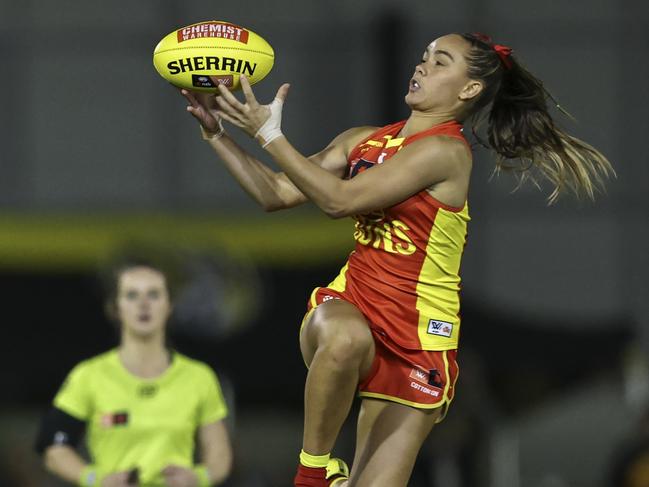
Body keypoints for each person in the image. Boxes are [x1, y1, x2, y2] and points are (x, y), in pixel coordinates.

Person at [180, 32, 613, 487]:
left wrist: (270, 134)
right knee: (344, 340)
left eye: (440, 62)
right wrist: (216, 134)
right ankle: (313, 470)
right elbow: (276, 193)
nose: (422, 67)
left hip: (420, 337)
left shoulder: (446, 152)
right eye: (423, 57)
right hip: (352, 303)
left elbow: (339, 200)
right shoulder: (362, 140)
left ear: (469, 90)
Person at [35, 258, 233, 486]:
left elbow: (219, 453)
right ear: (115, 308)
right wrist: (95, 478)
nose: (143, 304)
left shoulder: (198, 377)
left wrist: (199, 477)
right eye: (132, 295)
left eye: (154, 294)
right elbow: (53, 447)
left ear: (169, 306)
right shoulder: (89, 376)